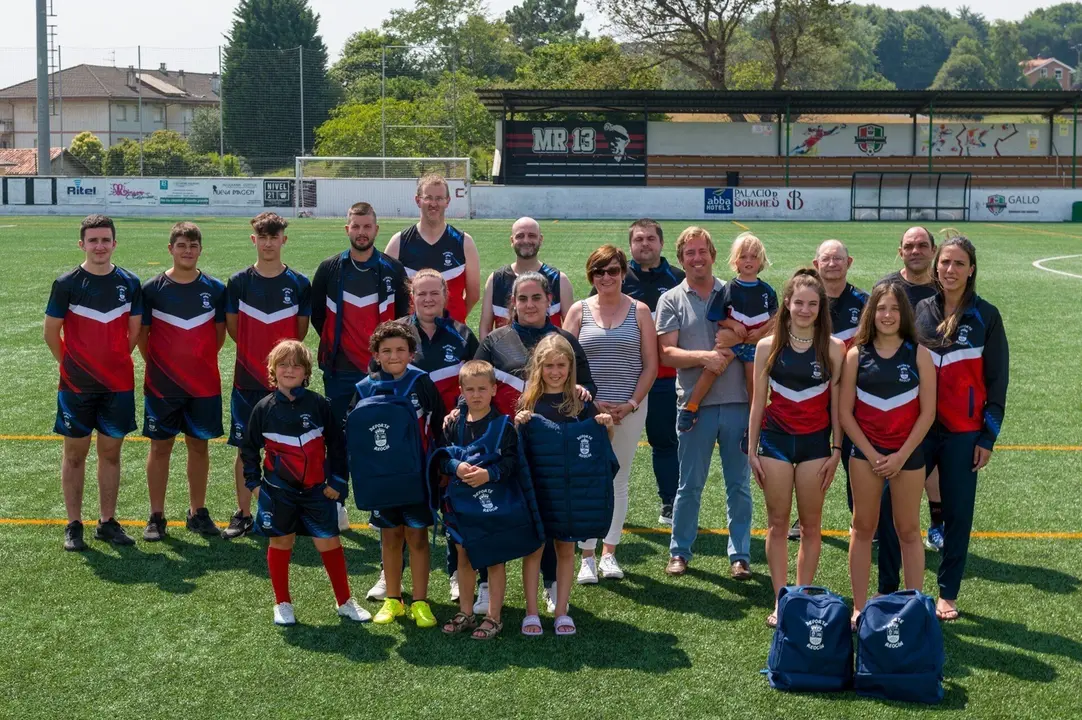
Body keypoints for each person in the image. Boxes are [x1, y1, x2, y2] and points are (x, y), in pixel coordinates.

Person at [472, 270, 597, 611]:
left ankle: (552, 582)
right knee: (494, 514)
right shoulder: (494, 340)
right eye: (523, 299)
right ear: (512, 303)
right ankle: (486, 584)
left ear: (549, 301)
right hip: (501, 446)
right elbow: (474, 384)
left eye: (536, 298)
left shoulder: (564, 340)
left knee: (549, 516)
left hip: (549, 450)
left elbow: (588, 386)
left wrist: (581, 391)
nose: (529, 305)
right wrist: (459, 410)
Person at [240, 340, 368, 626]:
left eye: (296, 365)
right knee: (281, 542)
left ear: (307, 372)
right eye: (283, 365)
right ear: (272, 370)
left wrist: (337, 482)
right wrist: (255, 484)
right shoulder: (263, 408)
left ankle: (344, 601)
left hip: (317, 490)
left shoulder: (319, 404)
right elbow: (248, 449)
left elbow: (337, 446)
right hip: (278, 492)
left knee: (329, 542)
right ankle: (282, 603)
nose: (289, 370)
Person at [914, 235, 1008, 622]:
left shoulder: (986, 316)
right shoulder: (920, 310)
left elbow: (997, 382)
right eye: (945, 262)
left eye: (958, 263)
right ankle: (895, 587)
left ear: (971, 270)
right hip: (916, 429)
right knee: (894, 507)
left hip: (963, 433)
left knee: (957, 515)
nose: (950, 270)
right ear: (936, 267)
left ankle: (947, 593)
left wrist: (988, 436)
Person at [746, 269, 844, 628]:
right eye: (799, 302)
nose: (805, 309)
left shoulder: (834, 348)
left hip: (816, 445)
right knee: (776, 523)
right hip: (775, 442)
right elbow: (758, 402)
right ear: (787, 303)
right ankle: (781, 599)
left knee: (811, 526)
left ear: (821, 308)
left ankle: (801, 595)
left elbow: (837, 405)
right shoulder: (767, 346)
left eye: (812, 304)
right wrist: (752, 450)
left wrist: (836, 450)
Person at [656, 227, 753, 580]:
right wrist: (705, 357)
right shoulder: (671, 299)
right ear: (681, 260)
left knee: (739, 485)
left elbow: (756, 332)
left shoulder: (735, 292)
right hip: (694, 408)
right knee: (689, 485)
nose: (697, 258)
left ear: (713, 255)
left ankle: (740, 555)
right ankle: (679, 551)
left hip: (738, 402)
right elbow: (666, 353)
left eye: (702, 251)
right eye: (690, 253)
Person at [840, 282, 936, 628]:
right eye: (881, 308)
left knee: (908, 530)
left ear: (903, 314)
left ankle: (913, 607)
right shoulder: (856, 354)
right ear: (872, 313)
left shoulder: (919, 354)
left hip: (907, 457)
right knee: (862, 528)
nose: (888, 315)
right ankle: (859, 607)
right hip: (865, 455)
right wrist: (871, 453)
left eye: (895, 308)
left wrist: (900, 456)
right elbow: (845, 413)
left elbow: (928, 413)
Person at [45, 214, 142, 551]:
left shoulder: (130, 283)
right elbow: (51, 332)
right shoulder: (66, 283)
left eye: (105, 240)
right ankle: (74, 524)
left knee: (111, 454)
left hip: (118, 385)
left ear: (114, 243)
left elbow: (133, 333)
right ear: (82, 244)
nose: (99, 246)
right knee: (74, 454)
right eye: (93, 240)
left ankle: (107, 522)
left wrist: (113, 362)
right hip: (76, 386)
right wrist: (71, 365)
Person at [311, 202, 409, 533]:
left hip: (383, 372)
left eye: (367, 226)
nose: (362, 232)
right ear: (347, 229)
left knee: (380, 439)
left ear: (376, 230)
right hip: (339, 371)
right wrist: (338, 348)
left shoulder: (393, 269)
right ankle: (337, 503)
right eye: (356, 226)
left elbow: (403, 320)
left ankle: (380, 507)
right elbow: (318, 316)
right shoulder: (329, 269)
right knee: (337, 439)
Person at [562, 244, 657, 583]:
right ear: (591, 276)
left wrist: (630, 404)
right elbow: (562, 364)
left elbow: (651, 365)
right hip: (586, 412)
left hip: (629, 410)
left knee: (618, 479)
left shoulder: (641, 311)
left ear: (623, 273)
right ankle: (586, 555)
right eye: (599, 272)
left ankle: (609, 553)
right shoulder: (578, 311)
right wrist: (591, 403)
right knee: (586, 480)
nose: (606, 277)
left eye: (613, 270)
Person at [390, 268, 483, 608]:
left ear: (446, 296)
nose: (428, 299)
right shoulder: (397, 332)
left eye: (434, 293)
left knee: (452, 504)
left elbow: (477, 379)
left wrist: (461, 410)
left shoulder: (462, 334)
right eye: (421, 293)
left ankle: (456, 574)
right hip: (407, 438)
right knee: (401, 505)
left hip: (452, 437)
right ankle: (390, 575)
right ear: (411, 296)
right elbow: (379, 380)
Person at [515, 334, 615, 636]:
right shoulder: (529, 401)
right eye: (549, 366)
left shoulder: (581, 401)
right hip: (539, 489)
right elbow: (517, 447)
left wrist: (607, 426)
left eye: (561, 365)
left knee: (566, 548)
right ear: (539, 367)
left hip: (570, 494)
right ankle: (531, 612)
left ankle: (561, 610)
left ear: (570, 366)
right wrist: (519, 422)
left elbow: (600, 446)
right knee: (534, 550)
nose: (555, 372)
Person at [222, 212, 311, 540]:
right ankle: (244, 514)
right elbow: (234, 329)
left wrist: (285, 368)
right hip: (247, 379)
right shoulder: (238, 282)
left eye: (274, 237)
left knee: (290, 447)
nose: (269, 243)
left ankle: (287, 513)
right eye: (263, 237)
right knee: (245, 449)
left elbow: (299, 333)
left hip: (287, 382)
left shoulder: (299, 283)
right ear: (254, 240)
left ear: (283, 240)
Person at [351, 322, 445, 628]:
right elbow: (353, 435)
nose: (394, 356)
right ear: (376, 355)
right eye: (387, 351)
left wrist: (441, 466)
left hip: (417, 476)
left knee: (417, 537)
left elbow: (439, 425)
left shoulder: (421, 383)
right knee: (390, 537)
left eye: (401, 350)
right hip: (381, 479)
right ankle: (393, 599)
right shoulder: (363, 388)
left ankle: (420, 601)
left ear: (411, 353)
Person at [138, 222, 227, 541]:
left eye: (193, 245)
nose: (188, 251)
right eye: (181, 245)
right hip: (162, 385)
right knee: (160, 447)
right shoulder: (151, 289)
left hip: (203, 384)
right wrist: (162, 365)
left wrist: (197, 362)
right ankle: (156, 515)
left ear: (201, 249)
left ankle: (197, 512)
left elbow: (219, 336)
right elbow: (143, 336)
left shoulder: (215, 289)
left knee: (199, 446)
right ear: (170, 249)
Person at [785, 239, 868, 542]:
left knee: (855, 457)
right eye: (826, 259)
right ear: (816, 264)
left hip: (855, 396)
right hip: (812, 394)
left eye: (838, 258)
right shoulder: (806, 301)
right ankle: (803, 517)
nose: (832, 264)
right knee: (811, 457)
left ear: (849, 262)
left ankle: (861, 517)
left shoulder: (864, 302)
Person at [439, 360, 517, 640]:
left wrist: (489, 474)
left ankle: (494, 617)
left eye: (482, 389)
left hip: (492, 503)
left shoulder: (504, 425)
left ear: (494, 389)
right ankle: (466, 612)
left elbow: (512, 463)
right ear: (461, 391)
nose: (476, 395)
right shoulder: (453, 423)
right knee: (464, 555)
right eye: (470, 389)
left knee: (494, 559)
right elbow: (442, 457)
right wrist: (455, 467)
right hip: (461, 504)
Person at [620, 219, 685, 525]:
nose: (644, 244)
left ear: (661, 243)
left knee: (664, 442)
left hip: (665, 380)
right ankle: (608, 503)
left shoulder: (678, 279)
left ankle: (670, 502)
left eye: (650, 238)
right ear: (630, 245)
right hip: (622, 380)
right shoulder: (616, 276)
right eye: (638, 239)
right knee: (614, 445)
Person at [680, 232, 776, 432]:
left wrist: (760, 332)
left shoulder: (767, 291)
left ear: (761, 261)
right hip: (731, 342)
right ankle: (691, 407)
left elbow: (775, 317)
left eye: (754, 256)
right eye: (743, 256)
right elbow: (716, 314)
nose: (748, 261)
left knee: (754, 383)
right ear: (735, 261)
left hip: (754, 346)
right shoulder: (729, 288)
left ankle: (754, 424)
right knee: (712, 367)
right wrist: (733, 325)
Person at [385, 174, 480, 324]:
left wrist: (455, 318)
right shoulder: (398, 242)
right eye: (428, 198)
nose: (433, 204)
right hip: (411, 333)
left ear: (447, 201)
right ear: (418, 200)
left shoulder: (464, 242)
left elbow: (473, 295)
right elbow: (387, 295)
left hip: (452, 332)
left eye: (439, 198)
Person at [479, 217, 574, 339]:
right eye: (520, 236)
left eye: (532, 236)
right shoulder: (495, 280)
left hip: (548, 350)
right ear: (512, 240)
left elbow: (569, 329)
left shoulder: (559, 280)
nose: (526, 240)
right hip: (506, 351)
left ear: (540, 239)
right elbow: (485, 328)